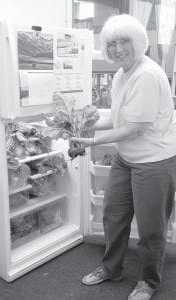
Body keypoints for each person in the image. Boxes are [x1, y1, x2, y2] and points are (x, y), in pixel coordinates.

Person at [71, 14, 176, 300]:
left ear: (139, 42)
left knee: (151, 227)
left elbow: (134, 129)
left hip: (154, 161)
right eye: (112, 43)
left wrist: (92, 141)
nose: (118, 49)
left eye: (124, 41)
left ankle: (149, 282)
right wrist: (83, 124)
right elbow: (119, 118)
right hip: (126, 158)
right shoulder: (122, 73)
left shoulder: (147, 75)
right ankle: (111, 268)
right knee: (114, 216)